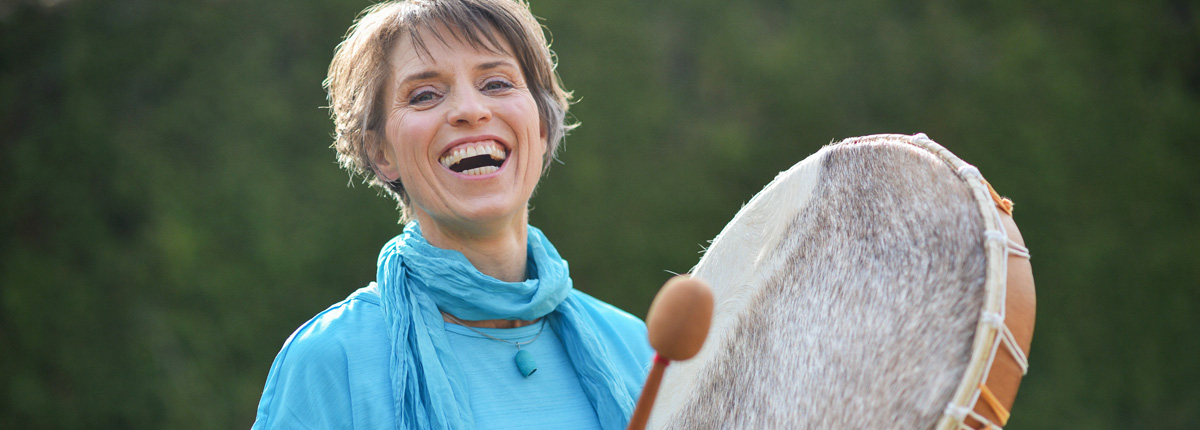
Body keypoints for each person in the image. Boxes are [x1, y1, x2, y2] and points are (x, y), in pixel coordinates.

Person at [252, 0, 653, 428]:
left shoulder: (637, 350)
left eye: (497, 83)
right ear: (380, 151)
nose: (470, 109)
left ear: (540, 126)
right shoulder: (332, 359)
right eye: (425, 95)